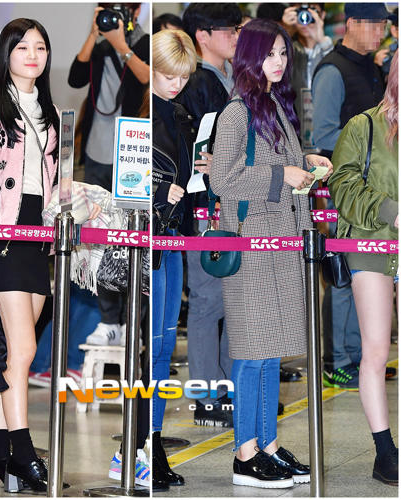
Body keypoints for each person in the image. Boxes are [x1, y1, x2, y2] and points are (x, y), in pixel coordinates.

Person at [0, 18, 100, 492]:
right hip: (3, 238)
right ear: (7, 54)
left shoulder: (52, 113)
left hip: (39, 237)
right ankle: (21, 452)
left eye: (40, 47)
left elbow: (57, 181)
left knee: (12, 352)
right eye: (22, 48)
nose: (33, 55)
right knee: (23, 350)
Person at [210, 18, 333, 488]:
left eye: (283, 53)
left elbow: (272, 161)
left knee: (269, 351)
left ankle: (268, 444)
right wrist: (283, 174)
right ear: (249, 56)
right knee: (251, 350)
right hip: (253, 242)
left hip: (279, 240)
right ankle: (245, 454)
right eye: (269, 54)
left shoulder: (274, 103)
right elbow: (222, 178)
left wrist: (306, 161)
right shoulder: (237, 110)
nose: (278, 62)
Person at [312, 3, 394, 390]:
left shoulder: (371, 68)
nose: (380, 32)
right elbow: (324, 133)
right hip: (344, 186)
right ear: (351, 24)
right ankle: (336, 359)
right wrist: (360, 145)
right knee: (345, 274)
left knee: (370, 278)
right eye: (373, 24)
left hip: (378, 188)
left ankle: (362, 355)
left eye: (383, 25)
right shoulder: (333, 70)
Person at [327, 50, 398, 486]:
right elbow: (343, 182)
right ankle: (385, 452)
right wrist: (391, 210)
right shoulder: (363, 126)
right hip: (371, 242)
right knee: (375, 350)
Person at [176, 2, 243, 428]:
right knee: (205, 300)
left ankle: (231, 390)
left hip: (230, 201)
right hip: (203, 205)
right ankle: (206, 394)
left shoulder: (232, 76)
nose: (235, 36)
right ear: (202, 35)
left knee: (228, 299)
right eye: (228, 29)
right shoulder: (196, 81)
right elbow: (190, 144)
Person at [68, 3, 149, 347]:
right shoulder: (99, 47)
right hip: (97, 150)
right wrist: (94, 35)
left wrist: (121, 45)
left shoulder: (145, 43)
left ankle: (133, 322)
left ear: (135, 11)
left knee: (131, 238)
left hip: (132, 154)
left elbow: (149, 79)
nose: (113, 17)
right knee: (99, 236)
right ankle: (108, 320)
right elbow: (74, 78)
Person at [152, 28, 211, 491]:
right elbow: (124, 182)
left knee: (165, 346)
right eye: (169, 75)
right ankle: (141, 446)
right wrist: (157, 192)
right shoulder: (139, 116)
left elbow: (184, 176)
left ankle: (149, 445)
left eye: (183, 76)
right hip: (147, 243)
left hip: (173, 237)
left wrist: (201, 170)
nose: (177, 84)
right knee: (152, 346)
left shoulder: (180, 115)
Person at [287, 3, 333, 152]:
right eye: (300, 12)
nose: (305, 18)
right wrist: (285, 30)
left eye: (312, 12)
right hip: (294, 136)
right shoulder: (286, 50)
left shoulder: (329, 48)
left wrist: (321, 40)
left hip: (326, 138)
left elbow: (338, 79)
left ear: (322, 16)